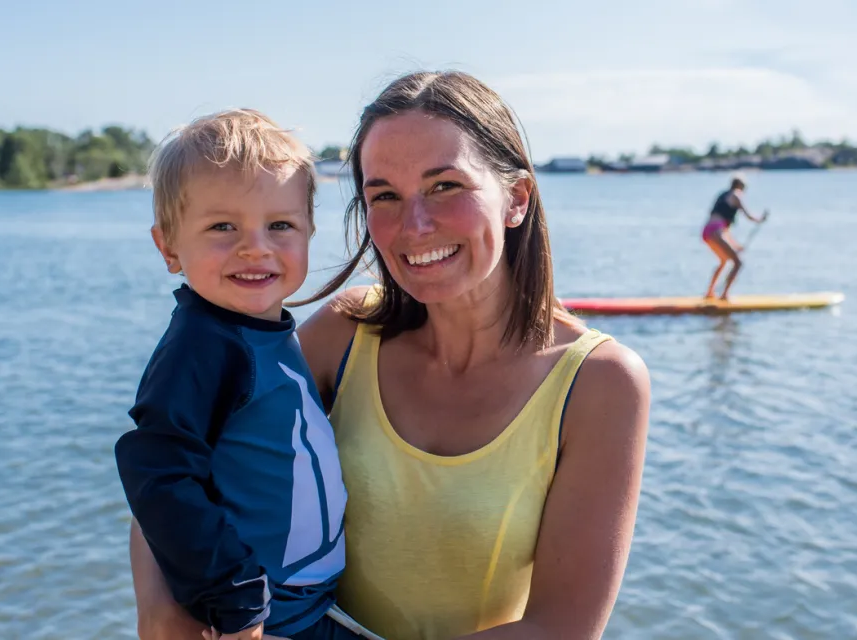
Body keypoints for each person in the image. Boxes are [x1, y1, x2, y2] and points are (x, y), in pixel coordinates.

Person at [130, 71, 652, 640]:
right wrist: (159, 608)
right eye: (385, 196)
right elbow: (176, 463)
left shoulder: (600, 382)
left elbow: (562, 629)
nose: (415, 224)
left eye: (445, 186)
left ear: (517, 199)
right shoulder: (348, 331)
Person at [113, 109, 363, 640]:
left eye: (280, 225)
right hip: (259, 615)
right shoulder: (203, 345)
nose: (256, 247)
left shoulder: (262, 331)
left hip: (311, 604)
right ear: (169, 247)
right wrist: (236, 596)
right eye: (222, 227)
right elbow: (157, 471)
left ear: (309, 234)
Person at [701, 175, 766, 300]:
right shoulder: (736, 194)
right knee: (738, 263)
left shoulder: (723, 195)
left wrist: (735, 245)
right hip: (715, 231)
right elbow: (748, 216)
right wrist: (760, 219)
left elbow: (723, 230)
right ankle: (724, 295)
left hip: (708, 231)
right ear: (740, 186)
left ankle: (709, 293)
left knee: (724, 261)